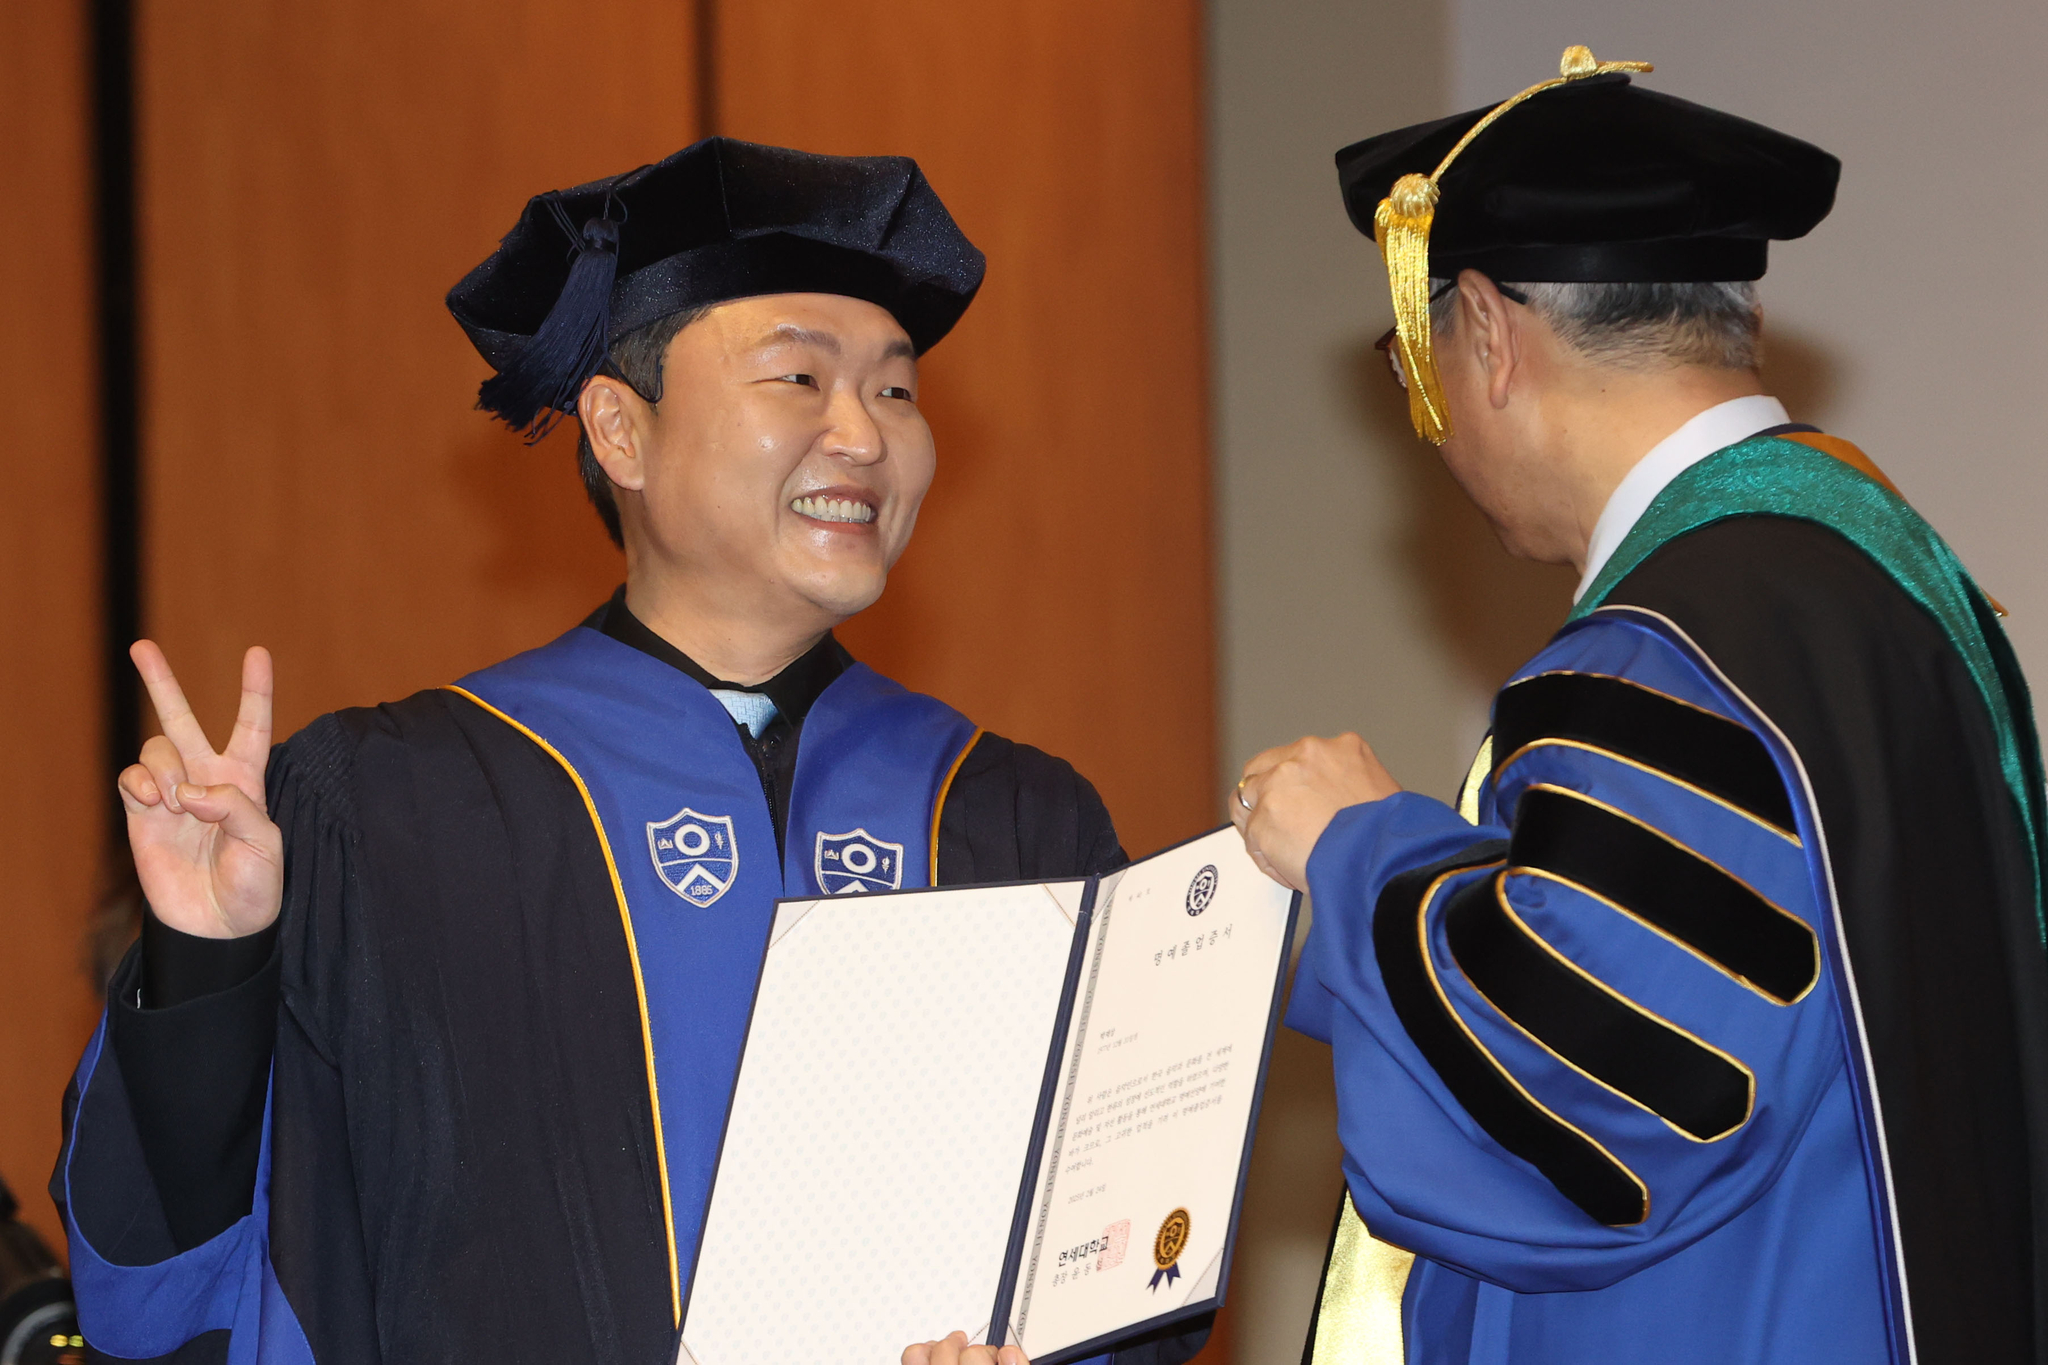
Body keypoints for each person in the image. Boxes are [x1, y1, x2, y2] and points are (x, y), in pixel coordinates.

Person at [54, 138, 1205, 1365]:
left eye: (895, 391)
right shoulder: (396, 811)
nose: (864, 438)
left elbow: (1128, 1273)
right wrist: (207, 969)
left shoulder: (1016, 824)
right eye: (799, 378)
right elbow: (186, 1274)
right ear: (618, 429)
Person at [1232, 47, 2048, 1365]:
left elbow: (1598, 1111)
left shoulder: (1677, 652)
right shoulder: (1881, 588)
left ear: (1486, 335)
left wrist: (1356, 844)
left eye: (1409, 360)